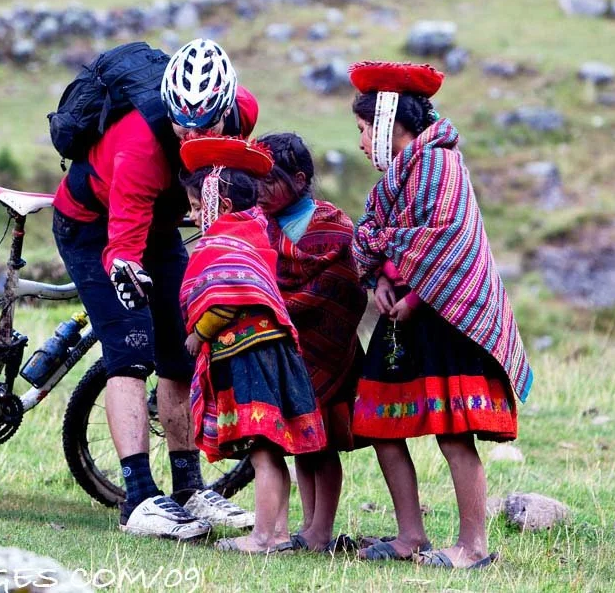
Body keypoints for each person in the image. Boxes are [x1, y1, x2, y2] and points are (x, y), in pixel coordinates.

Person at [51, 39, 257, 540]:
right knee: (131, 351)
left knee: (180, 349)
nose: (192, 134)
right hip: (93, 227)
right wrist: (126, 272)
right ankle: (139, 499)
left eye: (205, 125)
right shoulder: (141, 146)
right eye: (182, 124)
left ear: (228, 109)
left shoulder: (241, 114)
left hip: (161, 226)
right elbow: (122, 242)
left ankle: (188, 488)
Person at [347, 61, 534, 569]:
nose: (362, 142)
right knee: (381, 426)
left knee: (454, 432)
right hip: (400, 314)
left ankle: (473, 547)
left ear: (387, 124)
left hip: (445, 313)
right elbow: (371, 239)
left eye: (364, 130)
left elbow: (445, 241)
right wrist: (380, 281)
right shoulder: (392, 182)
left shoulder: (440, 166)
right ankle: (411, 536)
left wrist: (412, 295)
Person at [178, 137, 328, 554]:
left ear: (219, 205)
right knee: (271, 450)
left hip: (247, 355)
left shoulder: (222, 243)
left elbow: (226, 298)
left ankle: (263, 536)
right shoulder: (255, 231)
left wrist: (198, 332)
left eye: (194, 207)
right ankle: (277, 534)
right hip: (272, 351)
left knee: (263, 450)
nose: (192, 217)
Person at [255, 132, 367, 554]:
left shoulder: (331, 226)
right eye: (256, 181)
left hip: (325, 347)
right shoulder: (261, 226)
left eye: (270, 181)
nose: (260, 191)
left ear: (300, 180)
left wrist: (286, 305)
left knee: (323, 445)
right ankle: (307, 524)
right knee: (302, 439)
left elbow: (344, 287)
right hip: (285, 348)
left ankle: (322, 528)